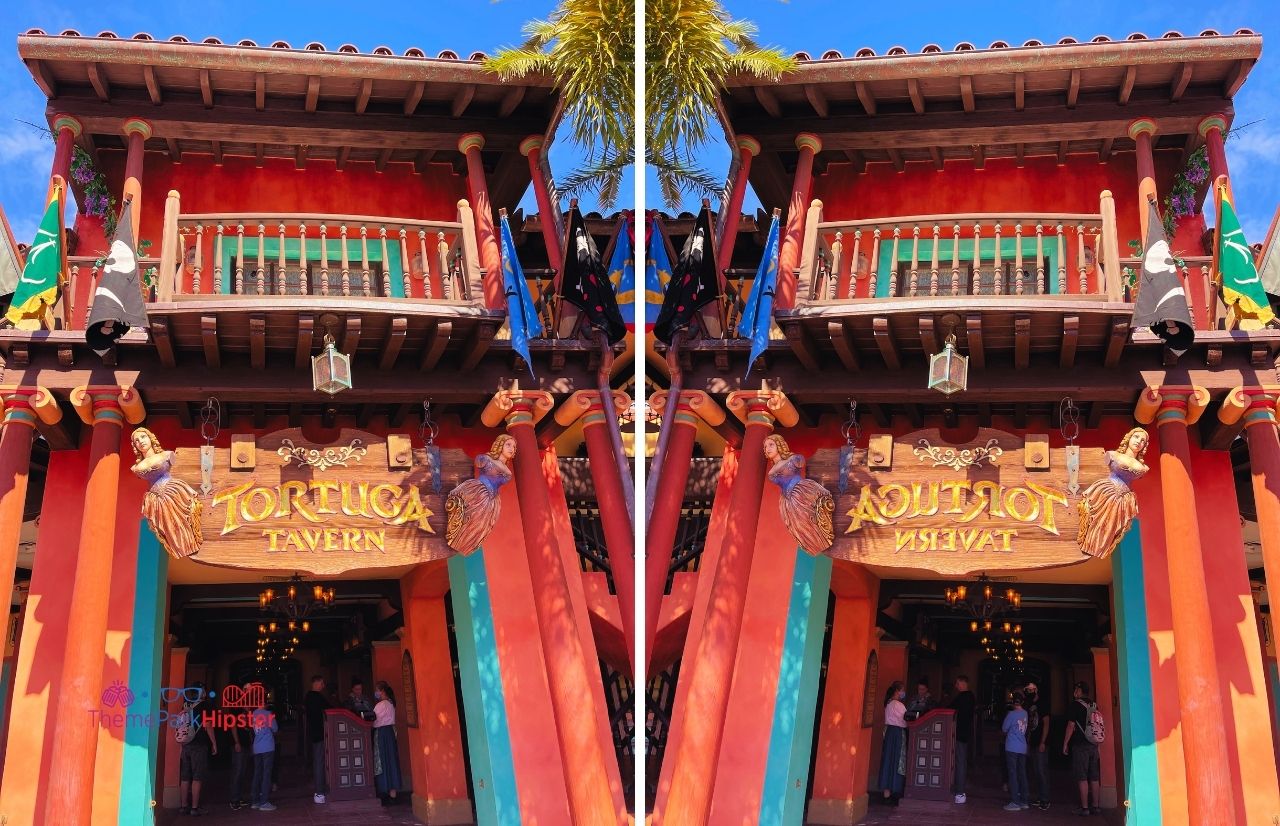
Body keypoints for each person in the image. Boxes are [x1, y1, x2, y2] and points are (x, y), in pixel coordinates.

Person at [130, 427, 203, 559]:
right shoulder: (135, 468)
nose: (140, 441)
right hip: (154, 497)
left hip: (172, 490)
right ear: (135, 446)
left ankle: (190, 544)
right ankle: (178, 548)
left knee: (183, 519)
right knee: (167, 526)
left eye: (143, 437)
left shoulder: (167, 455)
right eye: (136, 440)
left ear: (150, 438)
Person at [1077, 427, 1149, 559]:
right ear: (1129, 438)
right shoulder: (1112, 455)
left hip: (1124, 497)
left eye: (1143, 440)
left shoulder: (1144, 468)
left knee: (1112, 527)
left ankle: (1100, 548)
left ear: (1144, 446)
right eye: (1136, 437)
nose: (1139, 441)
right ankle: (1089, 544)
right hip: (1107, 490)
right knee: (1096, 519)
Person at [763, 434, 835, 554]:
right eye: (765, 447)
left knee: (812, 516)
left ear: (779, 445)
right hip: (787, 501)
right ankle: (813, 544)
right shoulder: (771, 472)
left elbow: (800, 462)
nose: (768, 448)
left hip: (801, 491)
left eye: (771, 445)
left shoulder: (793, 459)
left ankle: (823, 538)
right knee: (798, 526)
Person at [446, 435, 516, 554]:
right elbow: (479, 462)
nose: (511, 448)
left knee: (480, 526)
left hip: (492, 501)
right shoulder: (486, 459)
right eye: (508, 445)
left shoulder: (508, 472)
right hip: (478, 491)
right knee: (467, 515)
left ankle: (465, 543)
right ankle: (456, 537)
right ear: (500, 445)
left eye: (514, 447)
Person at [177, 684, 217, 816]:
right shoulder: (205, 706)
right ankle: (194, 808)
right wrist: (214, 743)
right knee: (197, 777)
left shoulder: (186, 705)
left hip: (185, 744)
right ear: (202, 693)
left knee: (185, 777)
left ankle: (183, 806)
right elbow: (208, 725)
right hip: (199, 744)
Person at [1063, 681, 1102, 816]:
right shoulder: (1094, 705)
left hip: (1081, 744)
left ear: (1079, 691)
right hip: (1094, 744)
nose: (1074, 692)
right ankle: (1096, 806)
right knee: (1094, 776)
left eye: (1076, 690)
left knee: (1082, 776)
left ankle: (1085, 808)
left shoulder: (1075, 705)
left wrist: (1065, 743)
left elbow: (1070, 725)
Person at [373, 681, 404, 806]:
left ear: (382, 691)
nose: (376, 693)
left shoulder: (381, 705)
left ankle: (384, 791)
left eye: (377, 690)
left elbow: (374, 721)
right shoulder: (391, 703)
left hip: (382, 734)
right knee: (392, 761)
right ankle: (393, 794)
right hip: (390, 733)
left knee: (382, 761)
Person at [877, 681, 908, 806]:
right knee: (897, 761)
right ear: (897, 691)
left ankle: (886, 794)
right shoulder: (898, 705)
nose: (903, 693)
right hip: (897, 734)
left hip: (889, 733)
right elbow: (905, 720)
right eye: (902, 690)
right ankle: (895, 791)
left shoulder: (888, 703)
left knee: (887, 761)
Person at [948, 675, 976, 804]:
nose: (956, 686)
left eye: (957, 683)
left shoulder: (963, 697)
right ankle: (959, 789)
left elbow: (949, 709)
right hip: (965, 733)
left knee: (960, 762)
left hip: (959, 734)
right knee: (961, 761)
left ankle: (960, 792)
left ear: (964, 683)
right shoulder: (971, 697)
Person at [305, 675, 332, 804]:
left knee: (318, 761)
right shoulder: (317, 697)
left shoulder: (308, 697)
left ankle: (320, 790)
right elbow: (331, 709)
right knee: (319, 762)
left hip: (314, 733)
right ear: (316, 683)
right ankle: (319, 792)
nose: (323, 686)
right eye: (322, 683)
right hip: (320, 733)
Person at [1025, 681, 1052, 810]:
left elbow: (1046, 723)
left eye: (1031, 689)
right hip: (1032, 741)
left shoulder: (1043, 703)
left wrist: (1043, 741)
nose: (1029, 691)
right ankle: (1040, 797)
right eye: (1028, 689)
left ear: (1036, 690)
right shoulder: (1030, 704)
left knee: (1041, 771)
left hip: (1040, 742)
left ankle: (1045, 799)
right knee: (1036, 771)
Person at [1002, 690, 1030, 812]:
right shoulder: (1025, 713)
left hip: (1012, 747)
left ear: (1013, 702)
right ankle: (1024, 801)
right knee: (1022, 773)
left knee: (1012, 774)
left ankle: (1015, 801)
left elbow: (1004, 728)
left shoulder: (1011, 714)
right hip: (1022, 747)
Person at [250, 693, 279, 811]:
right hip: (267, 747)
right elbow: (275, 728)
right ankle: (264, 802)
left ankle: (255, 801)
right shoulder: (268, 714)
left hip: (257, 747)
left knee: (257, 773)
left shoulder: (253, 714)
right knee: (267, 774)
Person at [228, 683, 254, 810]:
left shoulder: (247, 708)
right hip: (239, 744)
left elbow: (249, 726)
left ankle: (239, 797)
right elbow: (233, 726)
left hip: (246, 744)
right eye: (247, 690)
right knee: (237, 772)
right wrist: (236, 742)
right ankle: (234, 800)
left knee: (242, 772)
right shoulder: (237, 708)